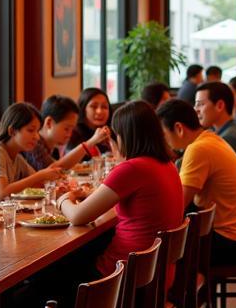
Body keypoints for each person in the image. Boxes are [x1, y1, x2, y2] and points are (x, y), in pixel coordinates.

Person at [59, 101, 184, 278]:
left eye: (117, 135)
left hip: (123, 277)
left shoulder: (132, 169)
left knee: (51, 276)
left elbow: (77, 216)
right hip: (156, 274)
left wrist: (64, 198)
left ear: (126, 136)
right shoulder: (167, 165)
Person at [158, 99, 236, 265]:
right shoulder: (210, 139)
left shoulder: (198, 149)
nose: (165, 141)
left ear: (179, 128)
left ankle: (186, 290)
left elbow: (178, 204)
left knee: (162, 252)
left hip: (229, 243)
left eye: (164, 135)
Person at [0, 103, 65, 200]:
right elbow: (2, 194)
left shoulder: (16, 156)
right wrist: (40, 175)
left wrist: (52, 178)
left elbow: (37, 182)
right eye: (31, 130)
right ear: (12, 131)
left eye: (37, 131)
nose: (37, 137)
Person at [194, 80, 236, 209]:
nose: (196, 110)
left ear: (220, 106)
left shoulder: (230, 138)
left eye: (200, 104)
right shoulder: (226, 131)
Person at [28, 95, 108, 172]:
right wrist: (91, 142)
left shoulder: (54, 149)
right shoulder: (34, 145)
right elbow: (54, 170)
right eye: (66, 129)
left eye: (72, 129)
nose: (70, 134)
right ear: (49, 123)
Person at [66, 87, 112, 156]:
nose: (99, 111)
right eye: (94, 106)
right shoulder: (73, 133)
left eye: (104, 107)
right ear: (83, 109)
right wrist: (94, 140)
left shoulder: (112, 130)